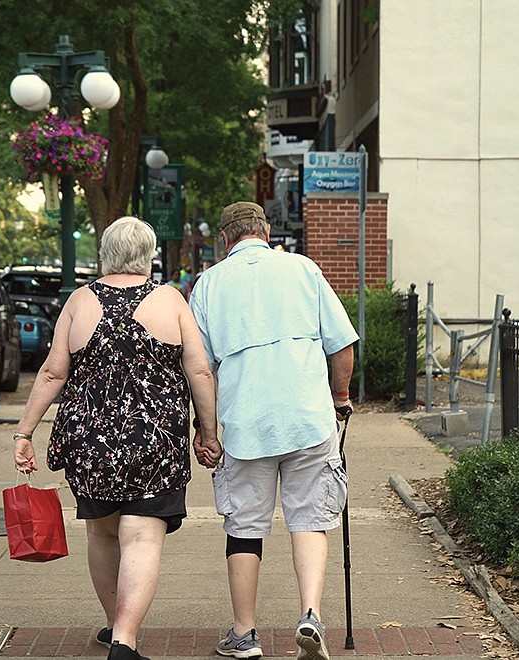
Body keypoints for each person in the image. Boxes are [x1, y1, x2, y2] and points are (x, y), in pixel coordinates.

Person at [13, 216, 221, 660]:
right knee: (142, 538)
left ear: (106, 253)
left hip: (90, 443)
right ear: (148, 254)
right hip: (154, 442)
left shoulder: (79, 300)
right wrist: (208, 433)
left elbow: (52, 372)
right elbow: (199, 370)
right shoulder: (170, 300)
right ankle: (125, 638)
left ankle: (113, 623)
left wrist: (24, 432)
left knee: (104, 535)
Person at [189, 202, 358, 660]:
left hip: (247, 424)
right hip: (308, 418)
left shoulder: (208, 284)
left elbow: (201, 369)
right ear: (266, 232)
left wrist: (207, 431)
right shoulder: (303, 269)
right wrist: (339, 398)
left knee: (244, 526)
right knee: (310, 518)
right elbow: (342, 346)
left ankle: (245, 634)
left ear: (226, 241)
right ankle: (310, 615)